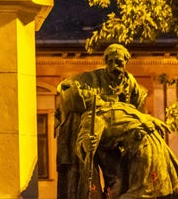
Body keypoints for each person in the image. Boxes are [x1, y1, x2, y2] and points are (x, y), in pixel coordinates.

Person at [56, 44, 148, 198]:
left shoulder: (132, 85)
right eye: (110, 61)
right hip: (89, 136)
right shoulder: (91, 78)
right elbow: (63, 87)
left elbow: (137, 115)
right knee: (89, 187)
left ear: (126, 62)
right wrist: (80, 96)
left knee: (120, 180)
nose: (114, 66)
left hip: (112, 142)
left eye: (118, 62)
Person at [76, 94, 178, 199]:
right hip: (157, 145)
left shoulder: (93, 116)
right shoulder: (119, 107)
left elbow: (85, 141)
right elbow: (140, 118)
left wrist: (86, 145)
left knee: (139, 193)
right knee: (155, 191)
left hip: (142, 148)